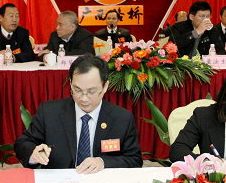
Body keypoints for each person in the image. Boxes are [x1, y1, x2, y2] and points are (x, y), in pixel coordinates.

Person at [14, 54, 143, 173]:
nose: (84, 98)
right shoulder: (49, 112)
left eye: (91, 91)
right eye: (77, 90)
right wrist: (34, 154)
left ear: (105, 87)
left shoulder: (122, 118)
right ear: (71, 83)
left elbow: (134, 159)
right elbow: (22, 144)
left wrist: (103, 162)